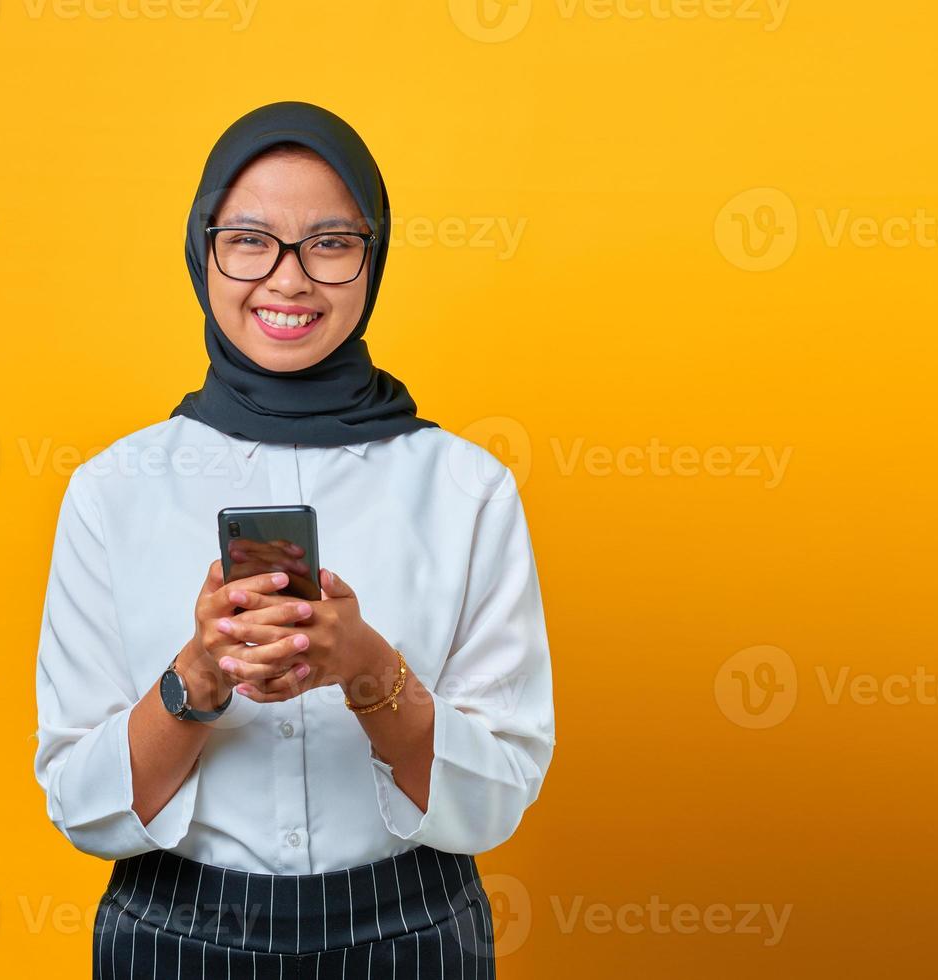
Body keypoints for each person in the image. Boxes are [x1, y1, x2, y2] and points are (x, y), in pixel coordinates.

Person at [33, 100, 556, 978]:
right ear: (203, 252)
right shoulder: (110, 491)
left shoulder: (467, 488)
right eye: (248, 239)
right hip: (172, 937)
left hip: (411, 933)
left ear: (371, 257)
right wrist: (198, 676)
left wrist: (363, 666)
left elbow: (495, 796)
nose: (287, 280)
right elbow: (79, 804)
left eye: (329, 242)